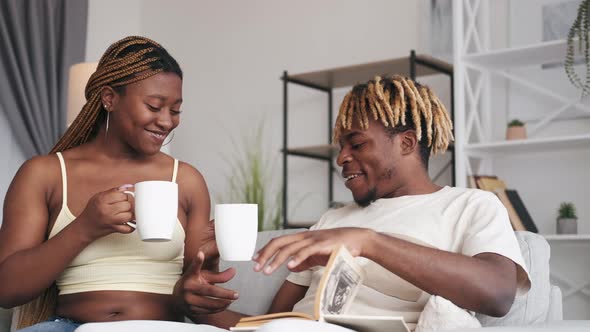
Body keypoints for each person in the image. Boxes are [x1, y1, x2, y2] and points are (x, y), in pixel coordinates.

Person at [183, 76, 531, 331]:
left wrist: (368, 242)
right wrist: (202, 312)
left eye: (357, 144)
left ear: (407, 143)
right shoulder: (331, 221)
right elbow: (272, 324)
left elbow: (497, 294)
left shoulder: (470, 205)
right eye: (340, 147)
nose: (342, 158)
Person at [0, 36, 231, 332]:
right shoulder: (44, 173)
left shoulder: (186, 180)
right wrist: (85, 227)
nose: (166, 121)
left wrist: (204, 275)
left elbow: (194, 295)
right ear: (109, 98)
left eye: (175, 110)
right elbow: (7, 288)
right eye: (154, 106)